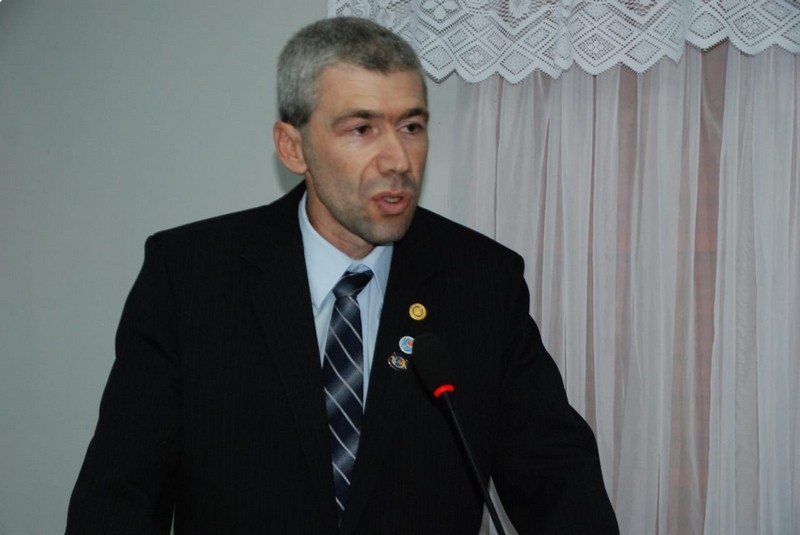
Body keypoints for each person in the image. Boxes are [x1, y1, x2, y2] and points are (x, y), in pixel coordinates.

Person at [66, 16, 618, 534]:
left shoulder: (482, 281)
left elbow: (557, 481)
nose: (398, 160)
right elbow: (120, 494)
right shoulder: (191, 277)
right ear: (293, 148)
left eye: (411, 126)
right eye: (361, 129)